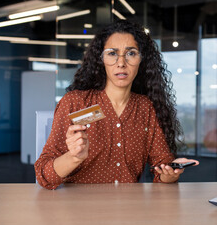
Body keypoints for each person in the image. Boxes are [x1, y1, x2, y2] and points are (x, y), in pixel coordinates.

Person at [34, 20, 199, 190]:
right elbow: (44, 176)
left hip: (127, 210)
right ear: (101, 59)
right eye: (112, 53)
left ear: (142, 60)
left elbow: (162, 167)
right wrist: (74, 157)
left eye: (131, 53)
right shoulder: (75, 103)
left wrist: (169, 172)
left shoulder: (145, 107)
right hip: (78, 210)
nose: (121, 63)